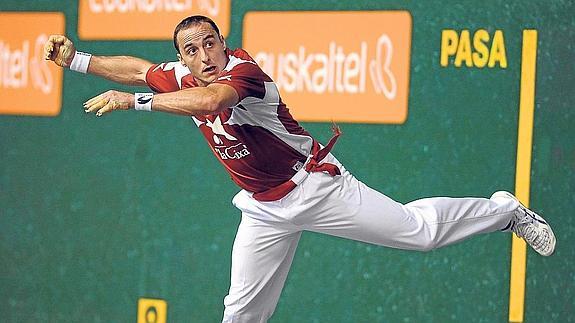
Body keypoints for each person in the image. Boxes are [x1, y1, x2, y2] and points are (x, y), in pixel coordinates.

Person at [44, 15, 556, 323]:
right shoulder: (179, 74)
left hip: (315, 188)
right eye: (190, 50)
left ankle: (504, 212)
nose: (202, 55)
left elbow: (210, 101)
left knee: (418, 233)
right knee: (240, 314)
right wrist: (78, 62)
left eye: (209, 43)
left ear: (224, 43)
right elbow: (140, 69)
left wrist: (134, 103)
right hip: (264, 211)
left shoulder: (242, 74)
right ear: (181, 56)